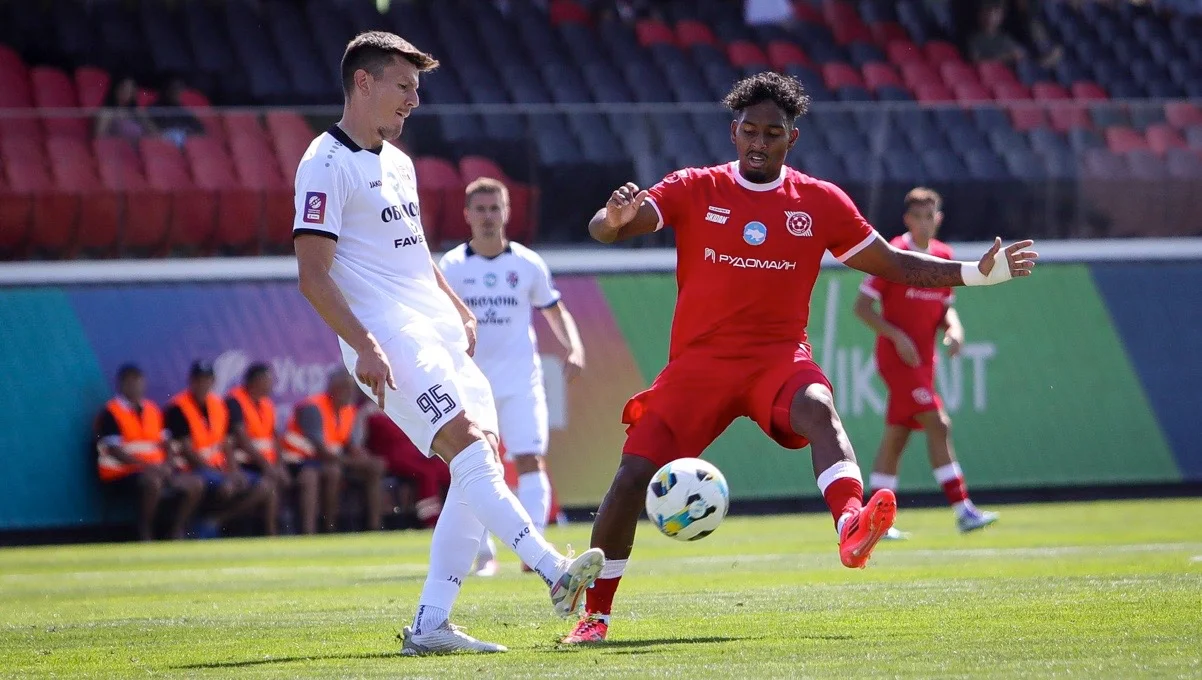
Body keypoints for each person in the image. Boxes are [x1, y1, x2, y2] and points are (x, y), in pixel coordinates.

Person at [561, 72, 1038, 644]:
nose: (759, 142)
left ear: (792, 138)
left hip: (777, 359)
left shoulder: (819, 201)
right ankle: (596, 617)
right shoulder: (695, 186)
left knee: (819, 409)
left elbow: (893, 264)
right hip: (698, 367)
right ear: (734, 132)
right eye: (750, 130)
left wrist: (976, 275)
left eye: (773, 133)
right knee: (632, 476)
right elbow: (608, 230)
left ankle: (851, 525)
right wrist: (611, 219)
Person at [291, 31, 603, 655]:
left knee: (479, 459)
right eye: (404, 86)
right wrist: (365, 346)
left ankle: (432, 623)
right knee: (466, 446)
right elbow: (313, 275)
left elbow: (413, 253)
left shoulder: (399, 162)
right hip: (387, 339)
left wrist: (456, 304)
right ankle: (551, 569)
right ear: (363, 82)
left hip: (435, 333)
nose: (414, 100)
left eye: (416, 89)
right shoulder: (324, 162)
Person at [438, 177, 586, 577]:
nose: (488, 217)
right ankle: (484, 555)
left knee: (529, 459)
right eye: (480, 209)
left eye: (494, 208)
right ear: (467, 215)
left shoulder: (527, 263)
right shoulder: (451, 267)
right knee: (475, 465)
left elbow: (555, 310)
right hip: (472, 385)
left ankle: (532, 554)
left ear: (507, 212)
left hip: (522, 381)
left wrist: (574, 347)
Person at [853, 188, 999, 539]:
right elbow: (861, 307)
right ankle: (963, 510)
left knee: (897, 436)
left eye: (929, 216)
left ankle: (874, 522)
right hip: (898, 359)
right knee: (938, 423)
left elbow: (945, 307)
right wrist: (896, 336)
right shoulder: (893, 254)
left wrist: (955, 329)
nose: (923, 222)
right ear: (907, 220)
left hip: (924, 360)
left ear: (939, 219)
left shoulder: (944, 256)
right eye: (917, 216)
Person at [164, 361, 276, 538]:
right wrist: (220, 474)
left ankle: (216, 521)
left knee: (265, 486)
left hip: (219, 469)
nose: (203, 384)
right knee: (226, 487)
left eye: (207, 379)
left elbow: (227, 443)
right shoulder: (178, 407)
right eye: (199, 379)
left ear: (213, 381)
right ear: (191, 381)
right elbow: (186, 449)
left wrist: (233, 470)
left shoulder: (219, 405)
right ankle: (182, 530)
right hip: (191, 469)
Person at [94, 363, 204, 540]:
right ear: (122, 385)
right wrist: (148, 466)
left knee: (195, 483)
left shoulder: (152, 410)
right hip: (122, 473)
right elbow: (114, 450)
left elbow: (166, 443)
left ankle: (176, 531)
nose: (137, 388)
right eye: (132, 383)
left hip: (157, 469)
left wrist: (168, 464)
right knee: (153, 482)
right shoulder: (111, 412)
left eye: (139, 383)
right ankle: (145, 530)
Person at [281, 370, 387, 532]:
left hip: (330, 461)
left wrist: (363, 457)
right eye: (346, 388)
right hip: (301, 462)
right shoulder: (312, 407)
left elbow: (350, 444)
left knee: (375, 466)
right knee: (331, 473)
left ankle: (375, 527)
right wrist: (352, 462)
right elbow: (321, 450)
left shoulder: (348, 410)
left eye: (352, 389)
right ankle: (325, 529)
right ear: (334, 388)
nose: (350, 393)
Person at [225, 362, 285, 536]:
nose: (271, 385)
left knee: (273, 486)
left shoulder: (267, 404)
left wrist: (279, 465)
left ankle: (271, 533)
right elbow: (241, 438)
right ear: (256, 381)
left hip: (263, 464)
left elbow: (274, 437)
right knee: (266, 486)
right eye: (268, 380)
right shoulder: (234, 401)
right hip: (242, 464)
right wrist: (268, 466)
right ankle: (224, 519)